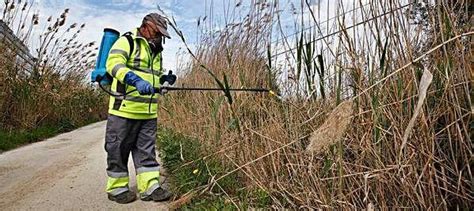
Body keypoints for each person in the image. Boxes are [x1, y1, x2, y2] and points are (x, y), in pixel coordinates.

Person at [104, 13, 172, 204]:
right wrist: (134, 80)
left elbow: (154, 77)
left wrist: (164, 82)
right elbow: (113, 65)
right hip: (123, 109)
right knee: (117, 149)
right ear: (146, 25)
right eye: (157, 32)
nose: (159, 37)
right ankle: (117, 188)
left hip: (148, 112)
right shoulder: (127, 41)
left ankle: (150, 187)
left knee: (147, 151)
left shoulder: (156, 51)